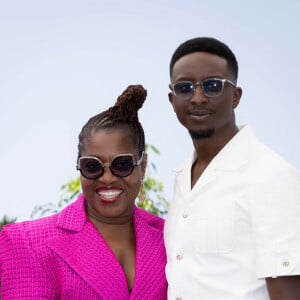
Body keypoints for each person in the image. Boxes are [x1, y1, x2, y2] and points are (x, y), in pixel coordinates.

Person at [0, 85, 167, 299]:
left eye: (122, 164)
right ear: (80, 167)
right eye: (92, 166)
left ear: (142, 167)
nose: (107, 178)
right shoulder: (25, 242)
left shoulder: (172, 239)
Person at [164, 37, 300, 299]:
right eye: (185, 88)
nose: (198, 98)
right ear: (172, 100)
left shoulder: (271, 176)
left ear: (235, 96)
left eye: (213, 86)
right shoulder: (182, 178)